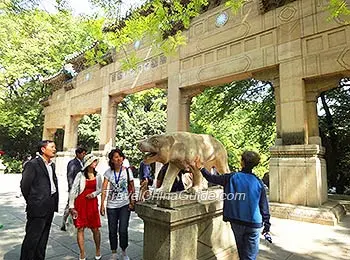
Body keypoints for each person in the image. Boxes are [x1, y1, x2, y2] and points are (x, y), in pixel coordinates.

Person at [190, 151, 271, 260]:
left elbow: (211, 178)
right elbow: (264, 206)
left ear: (242, 162)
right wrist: (267, 226)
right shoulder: (258, 182)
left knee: (242, 251)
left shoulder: (231, 177)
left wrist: (201, 168)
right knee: (250, 256)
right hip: (254, 224)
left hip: (236, 221)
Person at [20, 140, 58, 260]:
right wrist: (33, 201)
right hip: (37, 207)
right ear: (43, 149)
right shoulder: (33, 164)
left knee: (43, 238)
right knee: (32, 239)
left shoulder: (52, 165)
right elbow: (24, 186)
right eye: (51, 147)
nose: (54, 149)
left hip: (50, 205)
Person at [100, 148, 135, 260]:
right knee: (112, 230)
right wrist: (102, 204)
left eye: (120, 156)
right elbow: (104, 189)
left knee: (123, 230)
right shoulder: (108, 173)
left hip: (125, 205)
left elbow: (132, 187)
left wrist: (132, 201)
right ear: (112, 160)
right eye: (116, 157)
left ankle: (124, 251)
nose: (119, 158)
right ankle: (114, 252)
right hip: (111, 206)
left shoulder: (127, 171)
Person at [69, 153, 102, 260]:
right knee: (80, 228)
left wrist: (94, 194)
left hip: (92, 203)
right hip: (80, 203)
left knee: (95, 228)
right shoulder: (80, 175)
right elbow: (74, 190)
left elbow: (100, 189)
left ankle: (98, 249)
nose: (95, 163)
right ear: (88, 163)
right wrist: (71, 206)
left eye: (96, 161)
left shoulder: (98, 175)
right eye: (93, 161)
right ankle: (82, 253)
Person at [61, 147, 87, 231]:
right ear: (78, 154)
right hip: (74, 188)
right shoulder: (72, 163)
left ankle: (76, 221)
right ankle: (64, 222)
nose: (84, 155)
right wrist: (71, 188)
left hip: (81, 188)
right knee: (70, 205)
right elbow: (70, 176)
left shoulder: (83, 162)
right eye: (83, 153)